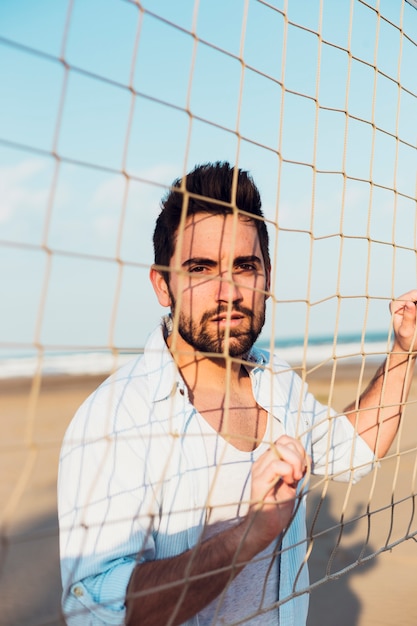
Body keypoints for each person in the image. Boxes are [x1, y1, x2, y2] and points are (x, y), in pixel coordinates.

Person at [58, 161, 417, 626]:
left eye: (245, 267)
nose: (229, 292)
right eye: (201, 268)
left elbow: (354, 449)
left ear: (267, 275)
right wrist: (245, 536)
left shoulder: (279, 383)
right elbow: (95, 612)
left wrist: (405, 349)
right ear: (162, 285)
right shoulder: (113, 419)